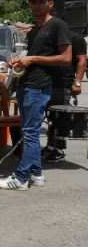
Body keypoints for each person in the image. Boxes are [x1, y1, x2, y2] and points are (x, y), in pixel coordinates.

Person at [0, 0, 71, 191]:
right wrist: (20, 61)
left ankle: (21, 178)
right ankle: (36, 174)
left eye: (41, 0)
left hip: (38, 86)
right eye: (33, 1)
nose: (36, 4)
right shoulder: (36, 28)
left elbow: (66, 58)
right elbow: (33, 58)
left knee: (29, 133)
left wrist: (33, 59)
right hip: (26, 84)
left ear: (50, 4)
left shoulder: (57, 25)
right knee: (29, 132)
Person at [41, 31, 87, 163]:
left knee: (60, 118)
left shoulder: (76, 39)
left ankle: (59, 151)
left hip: (63, 84)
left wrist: (77, 83)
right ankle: (50, 147)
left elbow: (82, 61)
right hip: (47, 82)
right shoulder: (51, 37)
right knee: (50, 117)